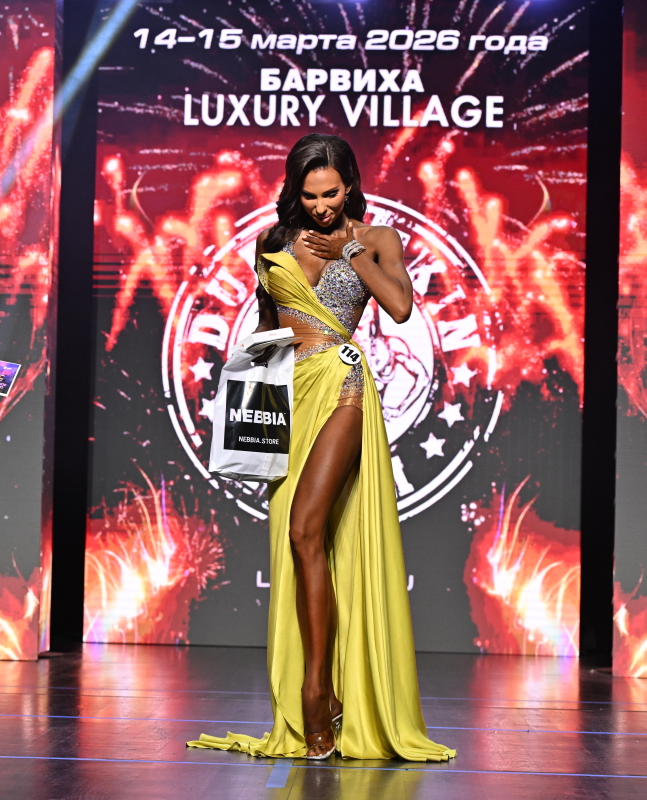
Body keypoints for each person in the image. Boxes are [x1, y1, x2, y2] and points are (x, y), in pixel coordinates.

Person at [189, 134, 456, 761]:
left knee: (307, 527)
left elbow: (399, 307)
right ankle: (322, 691)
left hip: (343, 384)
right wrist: (246, 387)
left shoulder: (378, 239)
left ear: (350, 185)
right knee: (298, 541)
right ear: (295, 192)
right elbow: (267, 325)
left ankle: (317, 690)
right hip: (289, 393)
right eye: (309, 196)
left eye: (331, 193)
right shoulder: (272, 242)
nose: (321, 206)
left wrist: (351, 253)